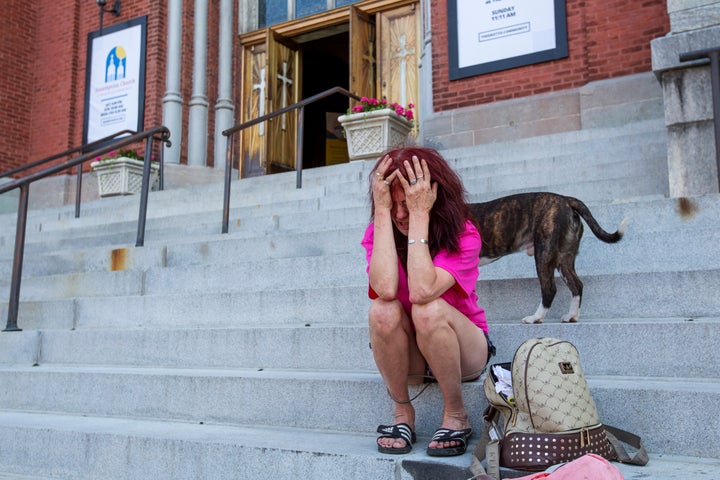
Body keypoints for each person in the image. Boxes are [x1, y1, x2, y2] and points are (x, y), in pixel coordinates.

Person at [361, 146, 494, 457]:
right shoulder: (380, 230)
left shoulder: (464, 234)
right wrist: (381, 213)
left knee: (428, 308)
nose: (400, 215)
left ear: (433, 196)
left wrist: (421, 216)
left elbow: (422, 290)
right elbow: (385, 289)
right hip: (415, 356)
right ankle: (402, 414)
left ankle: (456, 415)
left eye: (408, 203)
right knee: (382, 309)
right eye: (392, 204)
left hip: (464, 352)